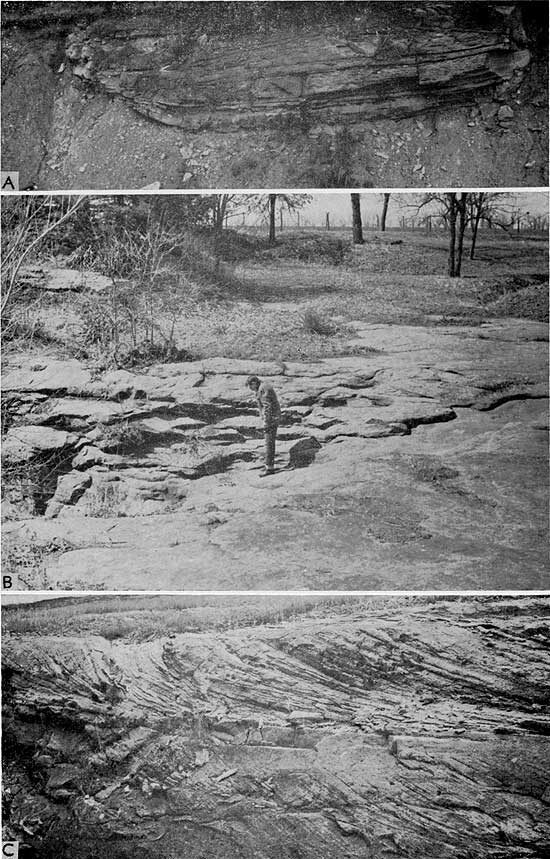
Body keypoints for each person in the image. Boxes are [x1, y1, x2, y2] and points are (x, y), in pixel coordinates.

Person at [246, 375, 281, 476]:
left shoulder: (263, 388)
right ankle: (269, 465)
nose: (250, 389)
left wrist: (266, 421)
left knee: (269, 443)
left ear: (254, 383)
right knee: (269, 442)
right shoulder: (262, 387)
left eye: (250, 386)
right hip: (272, 418)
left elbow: (267, 406)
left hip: (271, 419)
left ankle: (269, 468)